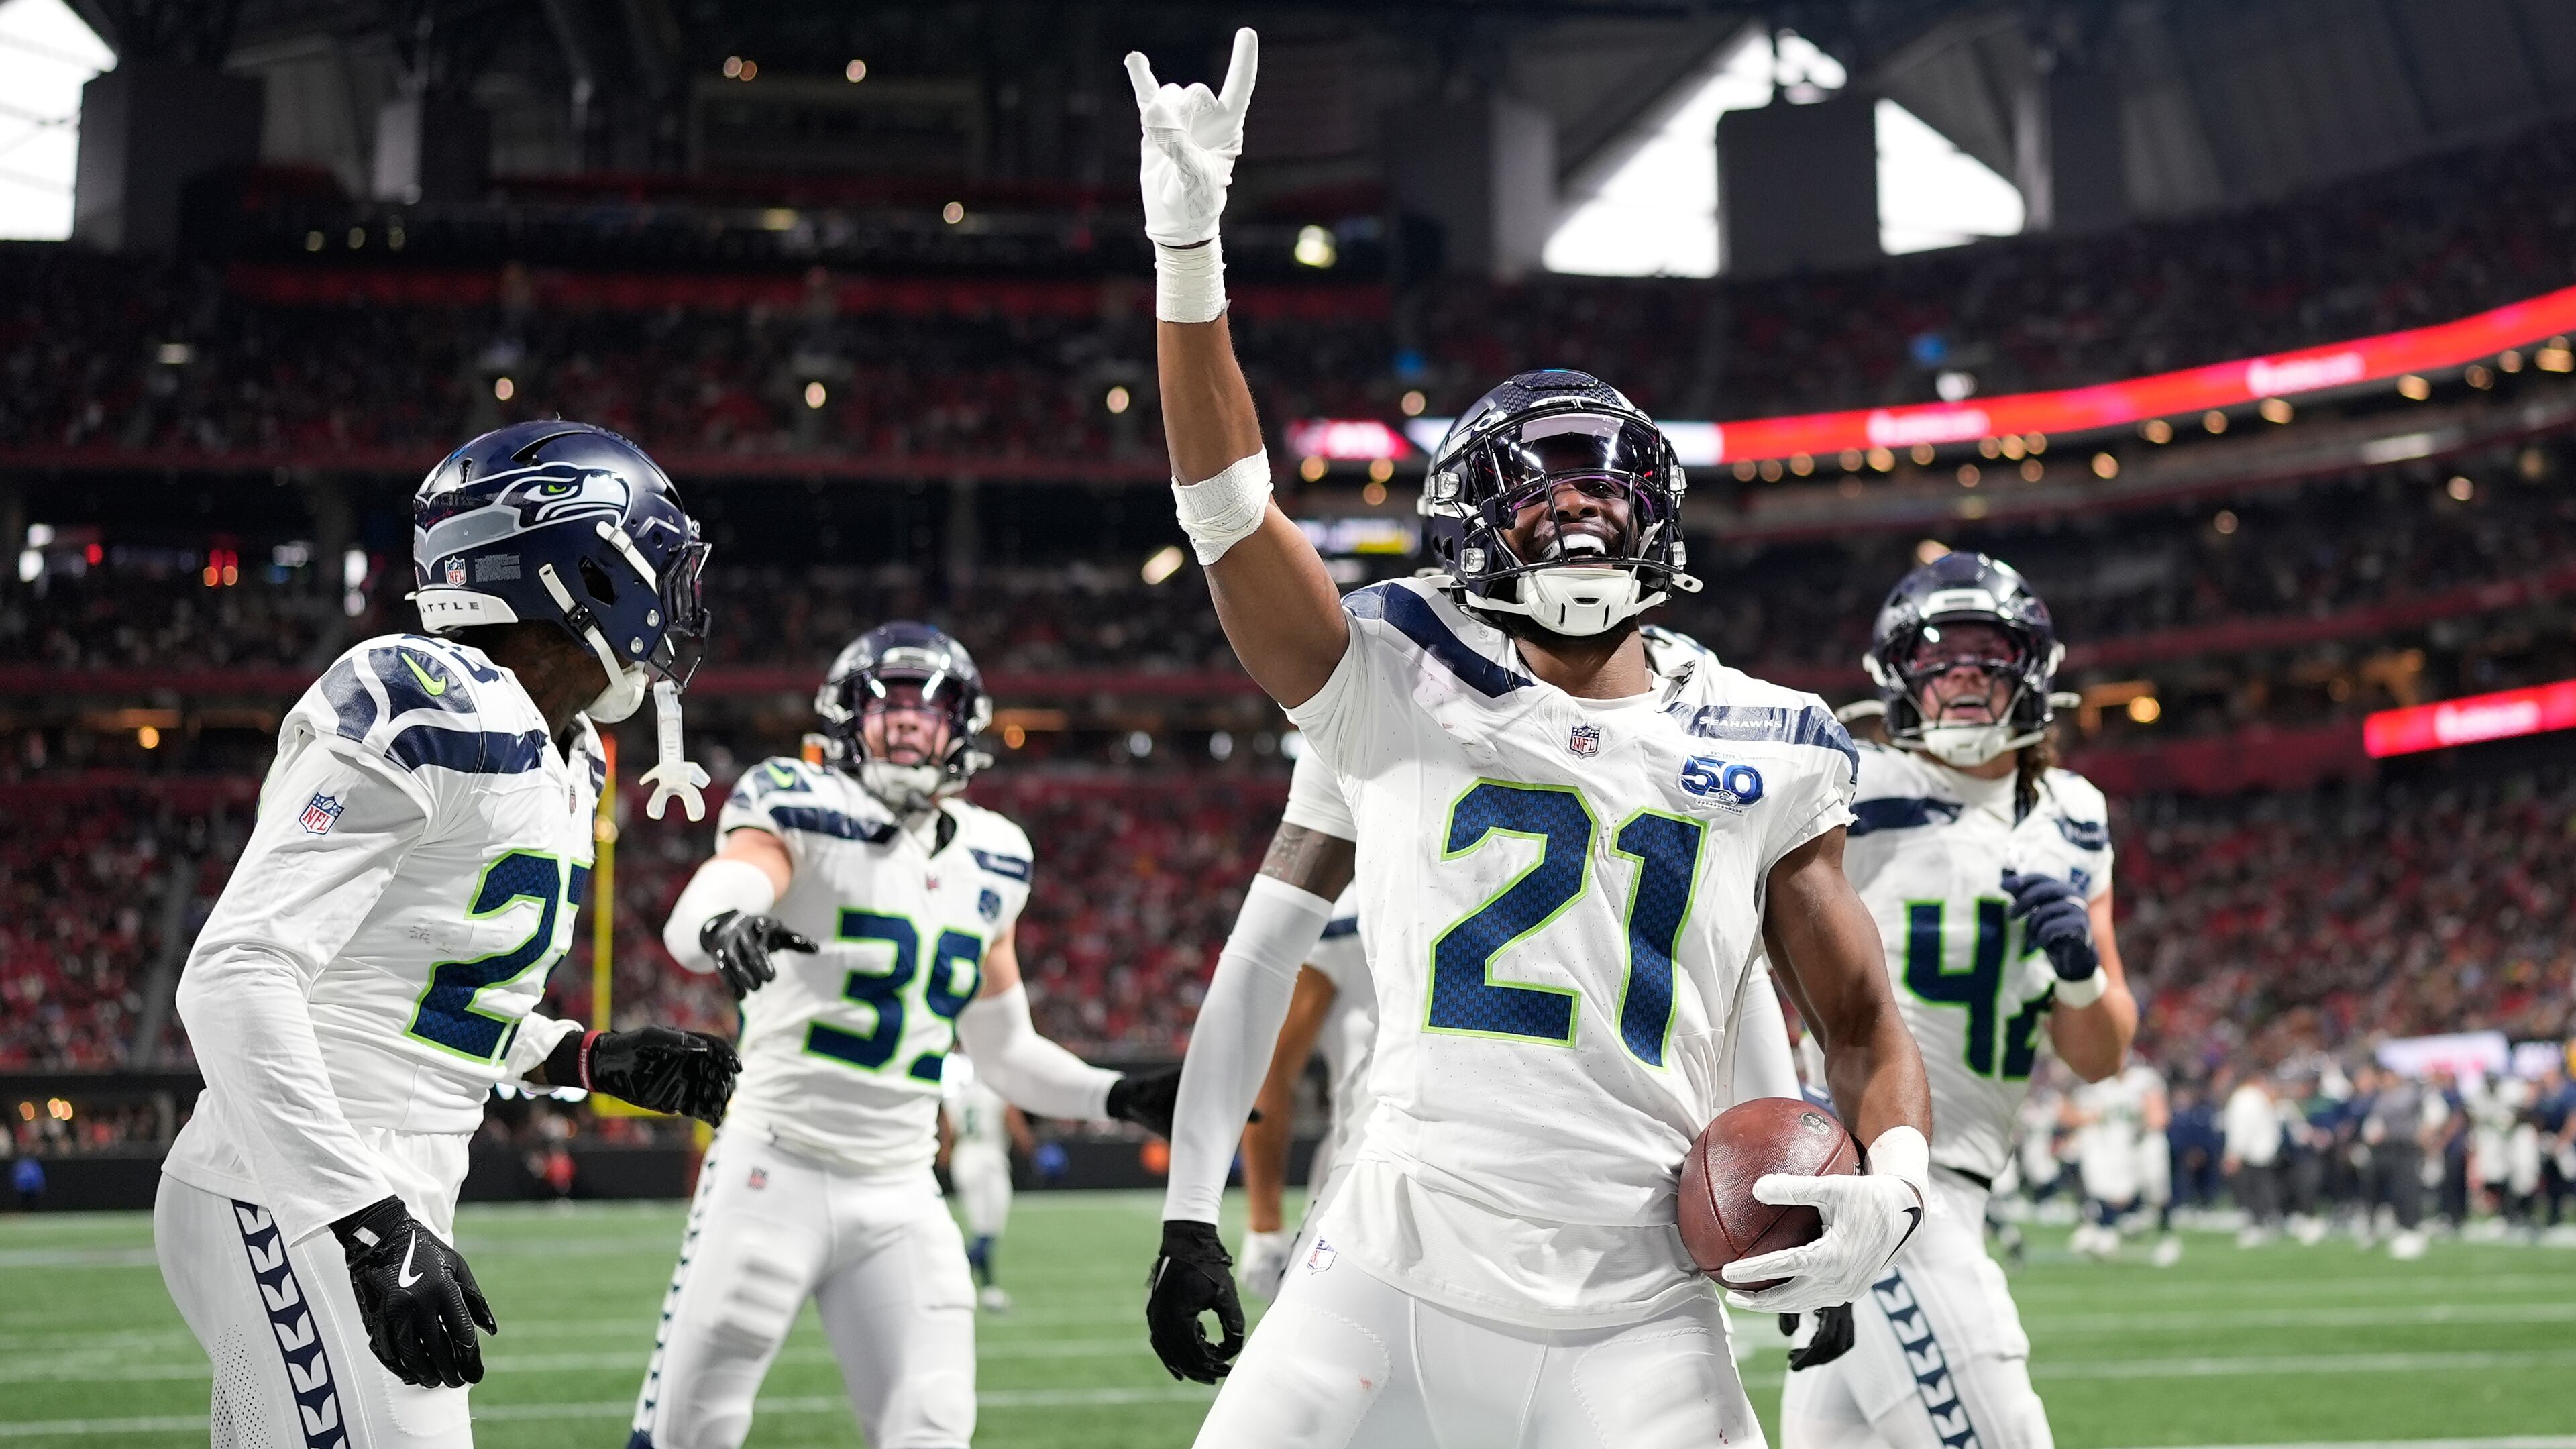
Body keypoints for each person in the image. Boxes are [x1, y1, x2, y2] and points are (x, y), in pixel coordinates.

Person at [1126, 31, 1935, 1447]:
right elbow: (1229, 513)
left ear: (1659, 518)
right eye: (1537, 495)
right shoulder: (1394, 672)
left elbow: (1858, 1021)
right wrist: (1189, 252)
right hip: (1390, 1274)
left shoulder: (1773, 737)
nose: (1576, 513)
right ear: (1467, 533)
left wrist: (1899, 1184)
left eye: (1603, 492)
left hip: (1644, 1310)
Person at [154, 421, 744, 1448]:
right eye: (655, 565)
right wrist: (366, 1224)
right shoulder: (422, 699)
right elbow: (236, 972)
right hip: (294, 1185)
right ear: (582, 571)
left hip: (374, 1178)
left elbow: (417, 993)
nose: (670, 601)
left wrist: (586, 1058)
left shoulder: (566, 754)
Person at [633, 621, 1180, 1449]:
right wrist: (724, 923)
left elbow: (1004, 1051)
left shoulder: (996, 855)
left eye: (929, 708)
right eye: (885, 704)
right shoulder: (797, 800)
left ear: (962, 727)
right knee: (691, 1431)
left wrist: (1117, 1094)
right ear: (845, 717)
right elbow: (717, 892)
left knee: (933, 1423)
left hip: (902, 1187)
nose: (906, 722)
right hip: (772, 1166)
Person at [1778, 553, 2141, 1449]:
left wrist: (2080, 972)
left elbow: (2101, 1057)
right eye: (1937, 657)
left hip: (1963, 1189)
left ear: (2033, 669)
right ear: (1899, 677)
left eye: (1987, 655)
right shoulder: (1854, 785)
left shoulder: (2074, 814)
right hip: (1879, 1178)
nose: (1964, 676)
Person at [940, 1056, 1036, 1311]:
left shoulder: (956, 1095)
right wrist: (1035, 1152)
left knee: (981, 1229)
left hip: (964, 1159)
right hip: (989, 1158)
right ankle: (950, 1278)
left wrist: (945, 1164)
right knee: (989, 1232)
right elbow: (1017, 1128)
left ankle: (989, 1290)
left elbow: (946, 1140)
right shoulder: (997, 1091)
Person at [2223, 1069, 2284, 1246]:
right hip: (2266, 1149)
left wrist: (2234, 1153)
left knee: (2253, 1190)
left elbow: (2241, 1128)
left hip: (2252, 1152)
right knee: (2266, 1187)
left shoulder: (2243, 1099)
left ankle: (2258, 1224)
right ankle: (2268, 1221)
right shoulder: (2260, 1097)